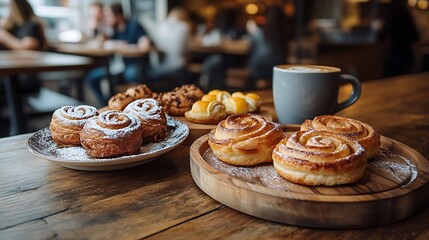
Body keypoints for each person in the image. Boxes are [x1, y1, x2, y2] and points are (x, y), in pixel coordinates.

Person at [84, 3, 151, 106]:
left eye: (109, 16)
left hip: (134, 65)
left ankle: (130, 105)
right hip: (118, 68)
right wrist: (96, 26)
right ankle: (104, 105)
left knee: (128, 76)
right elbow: (98, 42)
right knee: (92, 78)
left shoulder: (134, 26)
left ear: (118, 16)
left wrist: (126, 45)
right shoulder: (114, 30)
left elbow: (145, 44)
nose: (106, 18)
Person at [0, 0, 47, 95]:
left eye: (10, 8)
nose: (9, 11)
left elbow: (26, 47)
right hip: (12, 73)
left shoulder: (32, 25)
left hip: (25, 77)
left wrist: (4, 36)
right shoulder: (13, 26)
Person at [246, 5, 287, 87]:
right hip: (277, 69)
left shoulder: (260, 33)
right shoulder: (283, 34)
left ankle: (259, 83)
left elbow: (250, 41)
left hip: (258, 69)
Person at [149, 7, 190, 80]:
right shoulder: (184, 27)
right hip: (177, 67)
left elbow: (155, 46)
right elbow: (186, 50)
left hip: (158, 67)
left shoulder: (161, 26)